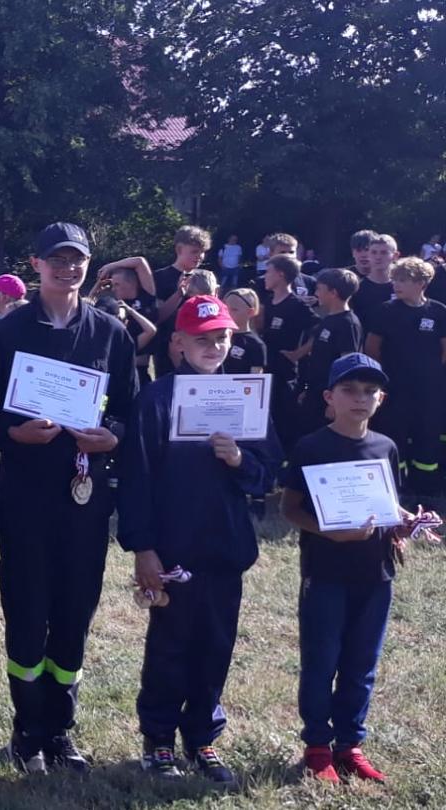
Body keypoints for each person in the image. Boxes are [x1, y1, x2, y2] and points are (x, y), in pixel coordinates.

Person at [0, 222, 138, 775]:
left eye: (78, 260)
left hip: (84, 497)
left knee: (73, 613)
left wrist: (111, 434)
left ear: (89, 265)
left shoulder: (109, 333)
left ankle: (60, 729)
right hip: (26, 493)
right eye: (57, 259)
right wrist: (11, 434)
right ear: (36, 265)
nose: (68, 268)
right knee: (27, 610)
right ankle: (27, 729)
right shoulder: (8, 330)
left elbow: (128, 412)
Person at [117, 295, 279, 785]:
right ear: (178, 343)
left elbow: (267, 474)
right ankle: (159, 739)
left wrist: (239, 462)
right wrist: (144, 547)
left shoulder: (244, 398)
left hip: (225, 547)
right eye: (201, 338)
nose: (213, 346)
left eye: (221, 338)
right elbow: (136, 478)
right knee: (170, 645)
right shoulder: (158, 399)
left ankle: (202, 735)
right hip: (173, 548)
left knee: (215, 644)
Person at [282, 353, 425, 785]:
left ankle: (350, 745)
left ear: (380, 398)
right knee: (322, 662)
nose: (360, 398)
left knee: (363, 663)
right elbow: (290, 510)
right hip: (326, 571)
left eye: (369, 391)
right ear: (330, 397)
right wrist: (329, 532)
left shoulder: (386, 445)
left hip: (376, 574)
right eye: (349, 390)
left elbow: (383, 504)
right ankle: (317, 747)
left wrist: (401, 522)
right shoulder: (311, 446)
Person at [363, 257, 446, 496]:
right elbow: (372, 349)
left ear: (421, 283)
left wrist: (428, 378)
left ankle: (426, 490)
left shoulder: (438, 311)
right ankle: (395, 489)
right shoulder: (385, 311)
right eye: (394, 279)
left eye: (402, 280)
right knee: (394, 435)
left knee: (427, 436)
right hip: (395, 389)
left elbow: (444, 351)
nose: (395, 284)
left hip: (429, 391)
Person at [299, 268, 364, 436]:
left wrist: (335, 403)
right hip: (316, 392)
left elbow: (349, 366)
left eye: (319, 289)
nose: (316, 293)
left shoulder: (348, 324)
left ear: (333, 292)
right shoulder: (328, 319)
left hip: (331, 399)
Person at [263, 256, 318, 447]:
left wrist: (299, 353)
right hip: (267, 369)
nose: (265, 277)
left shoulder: (297, 304)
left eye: (268, 272)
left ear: (280, 274)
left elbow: (319, 330)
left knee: (284, 419)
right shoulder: (269, 301)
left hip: (286, 373)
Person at [94, 261, 160, 385]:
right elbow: (89, 307)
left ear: (131, 283)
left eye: (117, 284)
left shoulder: (147, 296)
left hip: (141, 367)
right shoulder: (115, 306)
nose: (113, 289)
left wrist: (110, 266)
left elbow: (140, 261)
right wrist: (97, 287)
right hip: (121, 363)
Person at [220, 287, 269, 376]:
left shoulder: (255, 344)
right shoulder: (217, 337)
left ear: (250, 312)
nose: (228, 313)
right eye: (226, 309)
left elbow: (255, 379)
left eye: (234, 310)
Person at [355, 234, 398, 322]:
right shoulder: (357, 288)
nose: (378, 257)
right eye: (373, 252)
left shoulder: (403, 288)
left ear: (395, 256)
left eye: (384, 252)